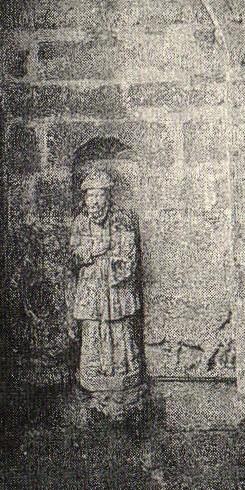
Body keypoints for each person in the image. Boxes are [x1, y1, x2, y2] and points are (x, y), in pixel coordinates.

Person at [69, 167, 146, 417]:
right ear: (85, 199)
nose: (95, 202)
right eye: (90, 197)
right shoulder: (80, 222)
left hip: (114, 283)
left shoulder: (120, 220)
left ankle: (122, 371)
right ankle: (93, 373)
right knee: (92, 325)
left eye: (99, 196)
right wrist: (94, 251)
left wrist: (115, 261)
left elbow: (128, 251)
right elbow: (75, 252)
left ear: (107, 198)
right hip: (92, 283)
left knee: (119, 324)